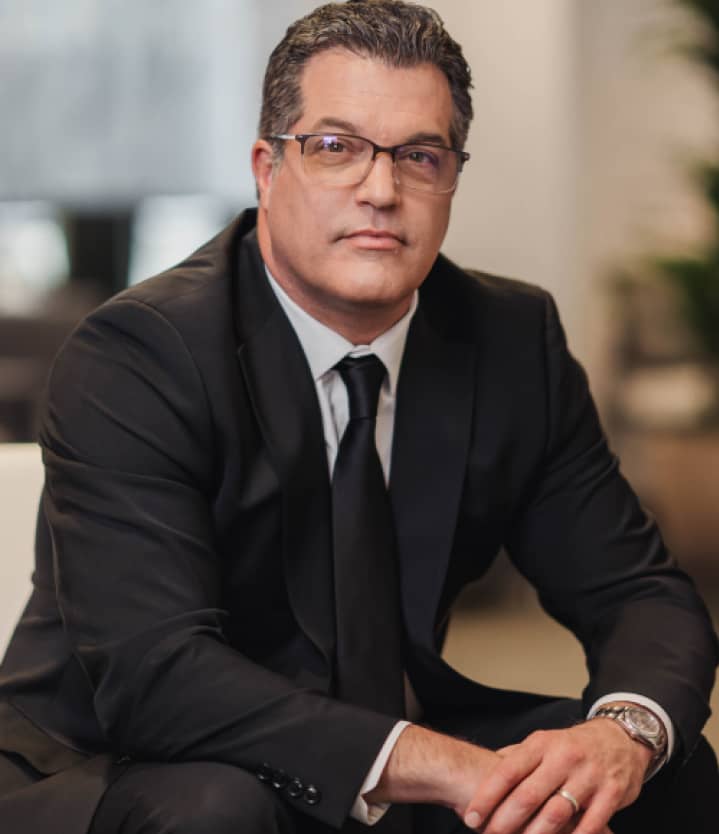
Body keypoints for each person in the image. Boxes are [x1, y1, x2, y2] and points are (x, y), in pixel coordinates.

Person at [0, 2, 717, 833]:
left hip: (390, 731)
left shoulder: (508, 339)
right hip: (121, 758)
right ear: (267, 169)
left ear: (451, 176)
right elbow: (155, 674)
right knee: (217, 811)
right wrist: (435, 761)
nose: (381, 191)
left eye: (419, 155)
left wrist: (618, 734)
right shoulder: (139, 352)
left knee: (653, 775)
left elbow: (636, 593)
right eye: (336, 148)